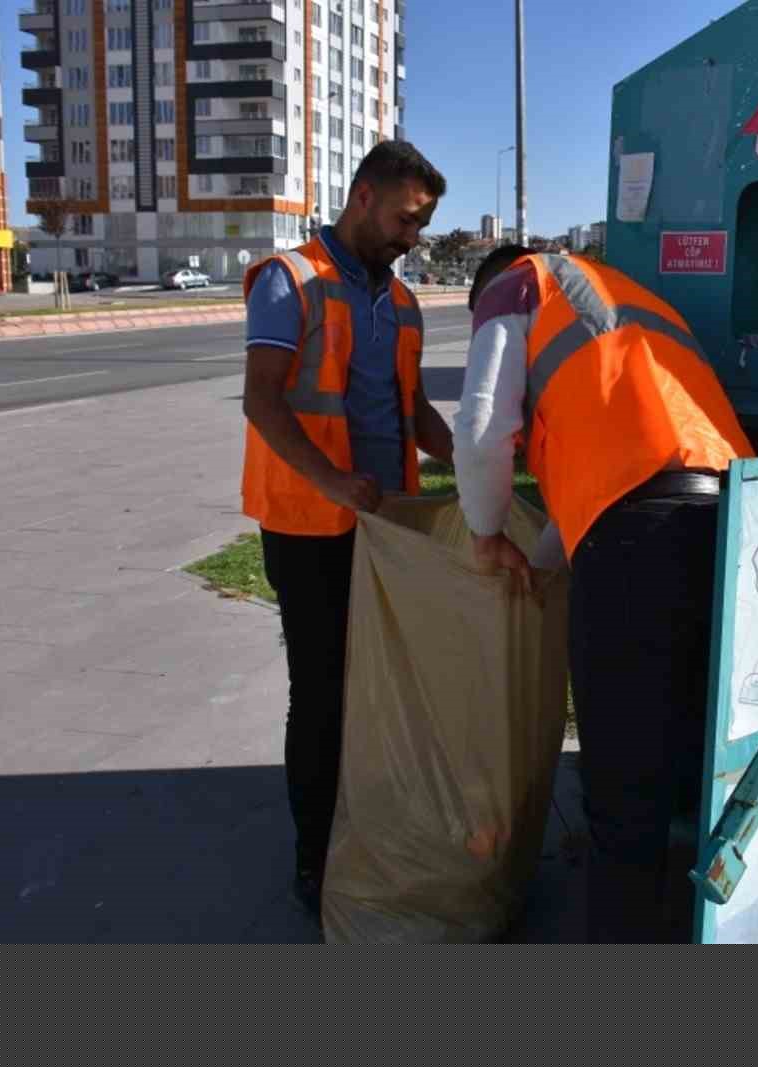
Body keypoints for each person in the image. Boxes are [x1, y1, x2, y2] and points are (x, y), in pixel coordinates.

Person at [452, 245, 755, 942]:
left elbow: (479, 432)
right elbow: (617, 463)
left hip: (640, 536)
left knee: (624, 798)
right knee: (699, 765)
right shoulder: (620, 298)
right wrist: (544, 560)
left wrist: (484, 532)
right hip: (739, 521)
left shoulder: (515, 285)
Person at [239, 141, 453, 917]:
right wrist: (331, 479)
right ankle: (314, 857)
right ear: (363, 197)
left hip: (385, 525)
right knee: (323, 692)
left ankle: (369, 824)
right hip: (307, 525)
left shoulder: (400, 302)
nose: (413, 236)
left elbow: (415, 413)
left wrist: (486, 455)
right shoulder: (288, 281)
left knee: (382, 684)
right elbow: (262, 400)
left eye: (422, 223)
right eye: (405, 217)